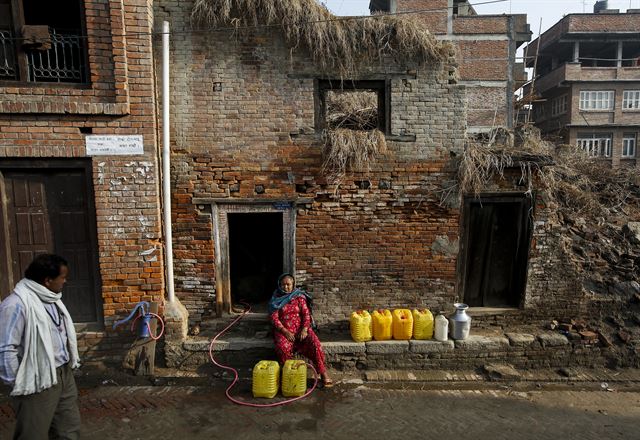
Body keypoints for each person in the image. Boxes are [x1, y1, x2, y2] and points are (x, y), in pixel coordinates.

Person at [0, 254, 81, 439]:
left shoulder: (52, 299)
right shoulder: (16, 304)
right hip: (36, 380)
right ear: (47, 280)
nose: (65, 281)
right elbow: (5, 350)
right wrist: (20, 383)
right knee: (32, 434)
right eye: (62, 277)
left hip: (63, 374)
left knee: (68, 430)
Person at [269, 273, 333, 388]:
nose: (286, 287)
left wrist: (304, 329)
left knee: (315, 343)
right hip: (284, 331)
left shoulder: (299, 297)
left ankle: (323, 374)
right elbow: (274, 318)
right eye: (283, 285)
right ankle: (289, 374)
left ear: (293, 285)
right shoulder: (276, 299)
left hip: (300, 330)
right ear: (279, 285)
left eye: (288, 284)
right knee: (282, 347)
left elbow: (306, 315)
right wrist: (285, 331)